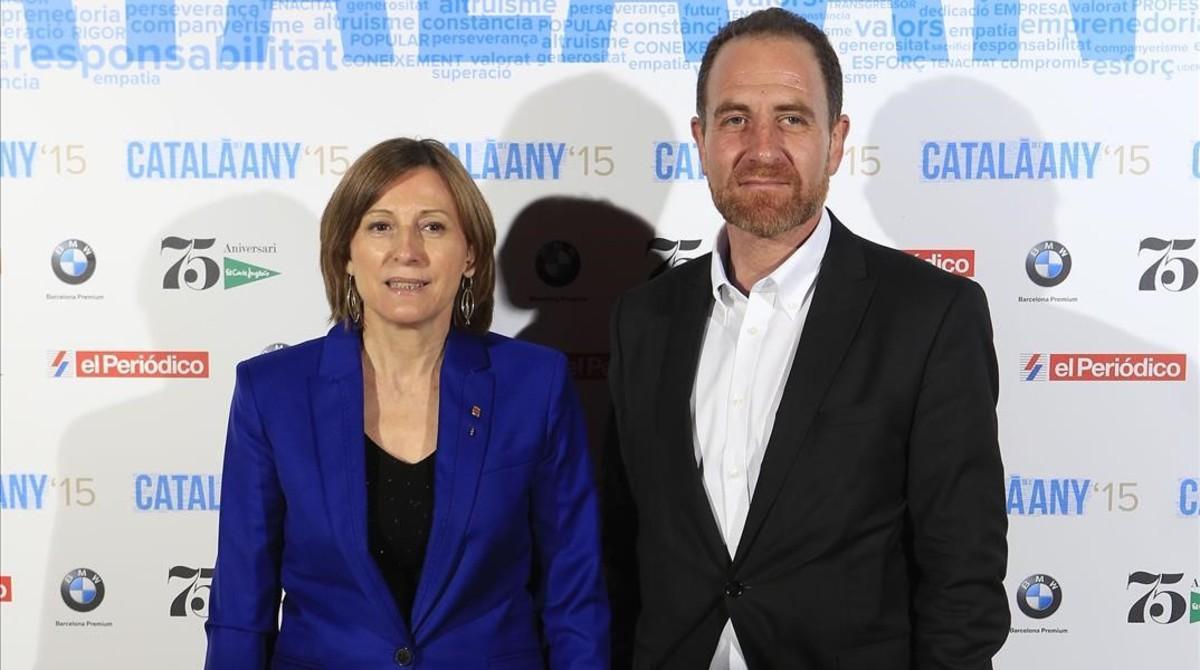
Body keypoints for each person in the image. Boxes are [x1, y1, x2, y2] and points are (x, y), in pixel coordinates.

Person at [604, 9, 1009, 669]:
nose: (763, 147)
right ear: (702, 139)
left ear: (837, 139)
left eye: (791, 117)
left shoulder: (931, 315)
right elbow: (620, 549)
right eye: (735, 119)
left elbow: (962, 573)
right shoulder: (643, 320)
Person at [204, 138, 609, 669]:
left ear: (469, 255)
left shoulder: (535, 384)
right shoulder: (272, 392)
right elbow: (241, 604)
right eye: (380, 226)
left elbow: (573, 596)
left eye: (434, 226)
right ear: (345, 253)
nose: (407, 250)